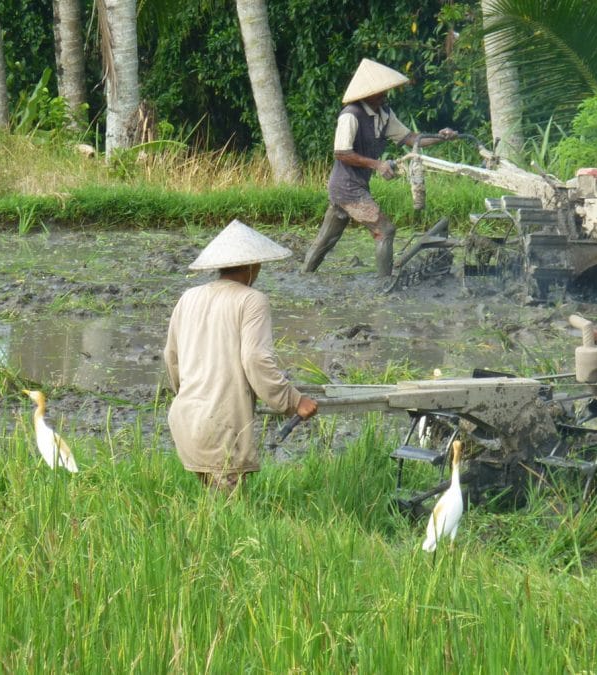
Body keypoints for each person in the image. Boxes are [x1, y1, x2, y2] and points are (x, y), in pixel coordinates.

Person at [164, 219, 318, 493]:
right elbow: (256, 360)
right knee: (228, 516)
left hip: (185, 418)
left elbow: (171, 357)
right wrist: (294, 401)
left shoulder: (188, 297)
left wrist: (191, 395)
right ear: (251, 266)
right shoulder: (251, 300)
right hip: (222, 424)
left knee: (211, 507)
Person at [303, 58, 458, 277]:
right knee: (385, 231)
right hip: (347, 188)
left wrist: (442, 138)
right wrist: (377, 164)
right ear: (367, 92)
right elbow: (341, 152)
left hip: (356, 185)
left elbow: (412, 138)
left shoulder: (384, 114)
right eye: (381, 91)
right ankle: (384, 283)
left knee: (327, 238)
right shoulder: (350, 115)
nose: (386, 94)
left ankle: (305, 274)